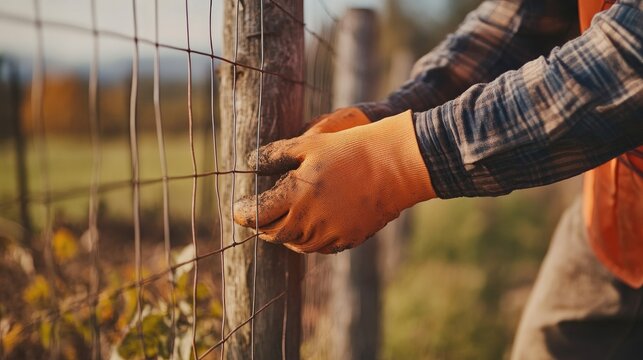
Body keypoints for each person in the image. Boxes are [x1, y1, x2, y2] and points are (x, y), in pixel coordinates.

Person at [234, 0, 643, 357]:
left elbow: (630, 58)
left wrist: (394, 162)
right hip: (620, 216)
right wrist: (388, 117)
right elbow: (521, 22)